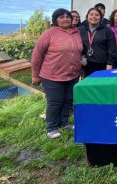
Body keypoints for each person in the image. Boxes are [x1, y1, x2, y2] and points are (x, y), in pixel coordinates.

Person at [31, 8, 82, 139]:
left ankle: (64, 123)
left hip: (72, 75)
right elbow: (37, 55)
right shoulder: (49, 34)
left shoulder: (76, 33)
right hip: (52, 75)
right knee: (55, 102)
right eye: (61, 17)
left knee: (68, 100)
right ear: (55, 20)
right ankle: (52, 128)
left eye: (67, 17)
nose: (65, 19)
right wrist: (35, 75)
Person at [79, 8, 117, 77]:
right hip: (86, 64)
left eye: (97, 15)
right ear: (87, 17)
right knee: (88, 86)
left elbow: (112, 48)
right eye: (91, 14)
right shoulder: (82, 30)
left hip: (102, 64)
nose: (94, 16)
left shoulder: (107, 31)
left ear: (101, 18)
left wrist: (110, 64)